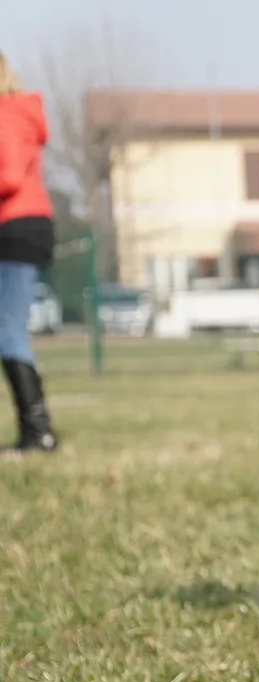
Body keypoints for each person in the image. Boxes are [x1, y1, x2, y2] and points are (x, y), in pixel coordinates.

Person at [0, 51, 56, 453]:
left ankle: (39, 434)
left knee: (8, 333)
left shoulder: (6, 115)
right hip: (24, 226)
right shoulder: (20, 113)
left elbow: (9, 175)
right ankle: (37, 432)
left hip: (15, 229)